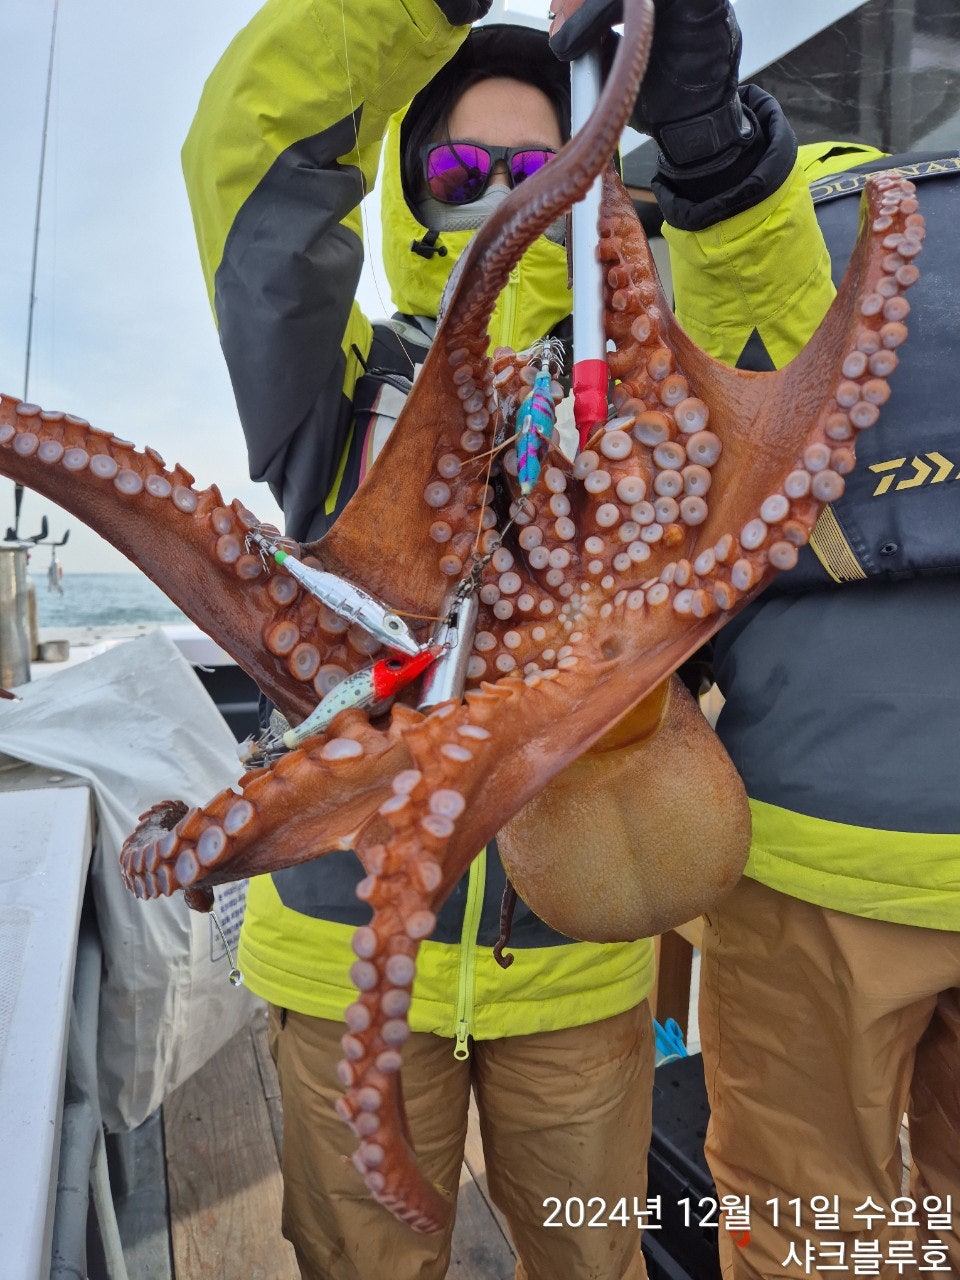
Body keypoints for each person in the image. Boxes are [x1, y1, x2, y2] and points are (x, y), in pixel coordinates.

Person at [182, 1, 745, 1275]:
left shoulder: (630, 403)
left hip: (578, 956)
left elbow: (764, 340)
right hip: (346, 956)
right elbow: (251, 163)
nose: (498, 192)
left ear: (585, 181)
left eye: (538, 165)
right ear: (410, 190)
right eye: (457, 165)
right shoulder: (338, 392)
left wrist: (708, 134)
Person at [560, 1, 960, 1275]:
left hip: (813, 852)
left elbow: (768, 337)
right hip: (810, 844)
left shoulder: (754, 246)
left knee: (813, 1223)